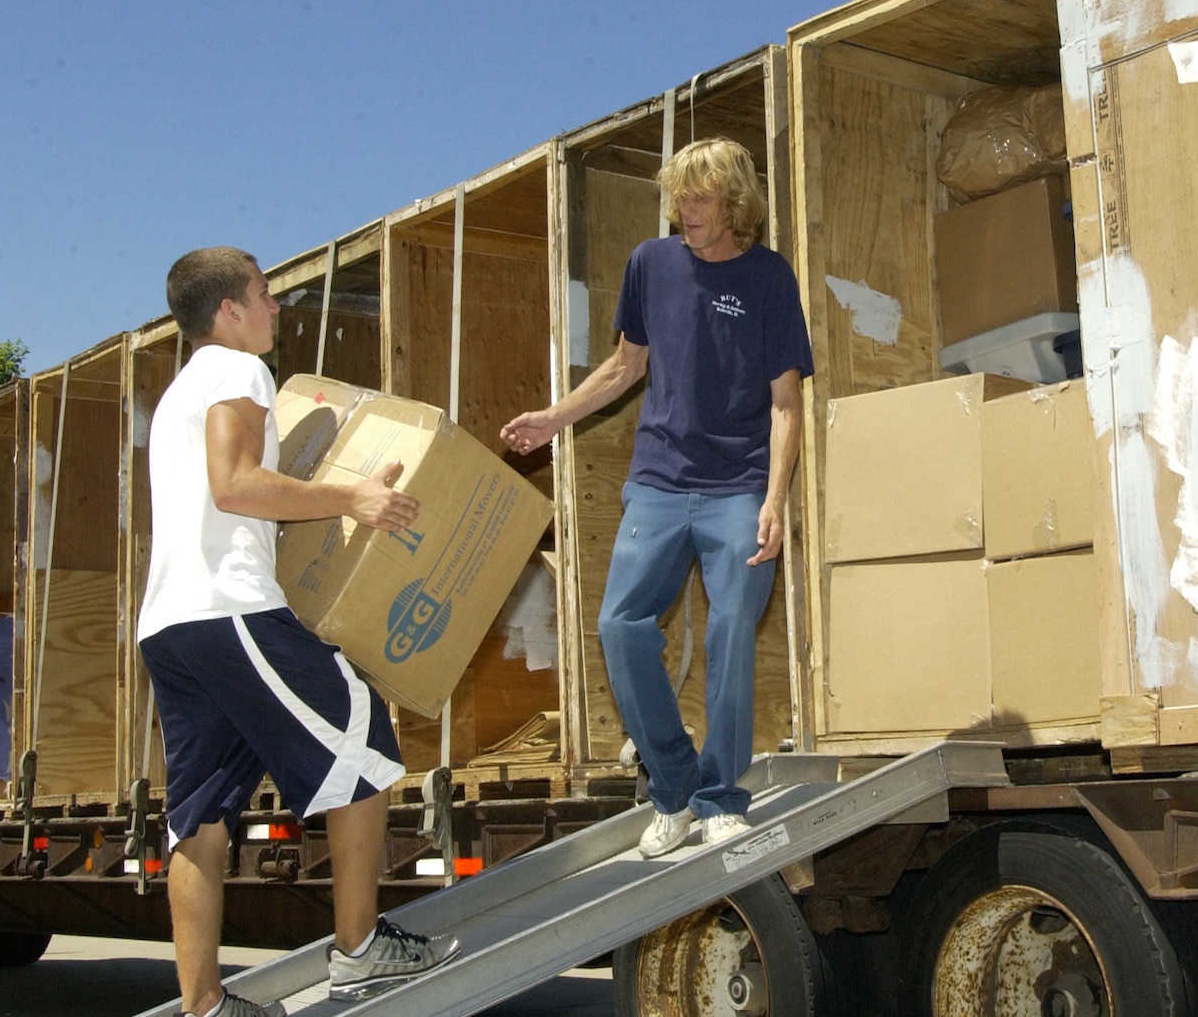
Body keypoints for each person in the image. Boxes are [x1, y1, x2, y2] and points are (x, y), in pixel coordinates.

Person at [137, 247, 458, 1016]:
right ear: (227, 311)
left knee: (202, 813)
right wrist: (353, 498)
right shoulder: (236, 371)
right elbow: (236, 484)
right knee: (367, 730)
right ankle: (356, 950)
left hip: (170, 626)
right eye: (263, 294)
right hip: (228, 610)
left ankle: (205, 1005)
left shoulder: (179, 392)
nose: (275, 308)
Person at [500, 139, 812, 858]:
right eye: (678, 197)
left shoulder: (768, 278)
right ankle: (674, 786)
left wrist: (775, 499)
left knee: (732, 626)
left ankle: (721, 795)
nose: (684, 211)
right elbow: (623, 366)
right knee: (620, 625)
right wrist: (554, 417)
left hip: (739, 485)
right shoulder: (651, 263)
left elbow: (786, 403)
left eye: (699, 199)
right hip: (660, 481)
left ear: (734, 203)